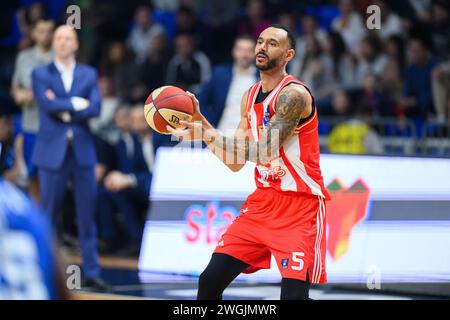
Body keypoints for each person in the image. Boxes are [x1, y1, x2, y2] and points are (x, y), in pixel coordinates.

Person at [168, 25, 330, 300]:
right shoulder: (249, 96)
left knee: (292, 298)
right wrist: (201, 121)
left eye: (272, 43)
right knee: (209, 281)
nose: (262, 47)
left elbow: (264, 152)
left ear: (288, 54)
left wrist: (206, 133)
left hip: (299, 206)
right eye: (260, 41)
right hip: (262, 203)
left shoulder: (294, 96)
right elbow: (233, 161)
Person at [31, 25, 109, 291]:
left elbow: (96, 107)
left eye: (69, 38)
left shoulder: (89, 73)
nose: (64, 42)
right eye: (59, 38)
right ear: (54, 43)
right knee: (47, 216)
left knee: (87, 215)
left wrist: (62, 107)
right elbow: (46, 105)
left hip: (82, 151)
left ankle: (92, 271)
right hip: (52, 152)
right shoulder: (40, 73)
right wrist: (77, 104)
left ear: (76, 44)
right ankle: (42, 269)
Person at [11, 19, 54, 201]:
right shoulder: (24, 57)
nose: (45, 35)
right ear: (33, 33)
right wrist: (19, 94)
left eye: (49, 31)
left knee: (52, 178)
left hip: (53, 128)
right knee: (32, 175)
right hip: (30, 126)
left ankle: (55, 224)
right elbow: (15, 86)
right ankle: (40, 221)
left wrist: (39, 95)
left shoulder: (59, 57)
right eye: (41, 31)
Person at [198, 34, 258, 131]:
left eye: (249, 50)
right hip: (221, 132)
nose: (244, 55)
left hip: (251, 137)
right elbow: (200, 101)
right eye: (241, 50)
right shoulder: (220, 74)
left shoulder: (262, 78)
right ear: (234, 51)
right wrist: (208, 125)